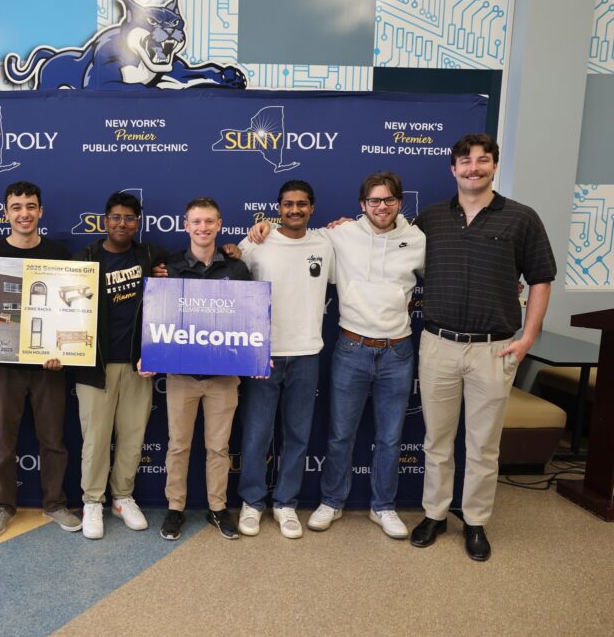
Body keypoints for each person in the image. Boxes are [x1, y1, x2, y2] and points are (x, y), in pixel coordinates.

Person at [410, 133, 555, 561]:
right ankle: (434, 514)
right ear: (452, 169)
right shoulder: (431, 218)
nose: (474, 168)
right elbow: (385, 242)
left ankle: (475, 521)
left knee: (483, 444)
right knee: (436, 440)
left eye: (483, 160)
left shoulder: (522, 218)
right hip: (438, 344)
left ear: (494, 166)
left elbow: (541, 279)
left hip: (494, 349)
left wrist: (528, 337)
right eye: (465, 161)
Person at [308, 173, 424, 538]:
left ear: (400, 202)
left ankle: (383, 507)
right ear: (362, 205)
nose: (382, 207)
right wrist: (258, 232)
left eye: (389, 200)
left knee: (390, 436)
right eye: (374, 201)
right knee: (341, 434)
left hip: (398, 350)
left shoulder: (417, 239)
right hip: (352, 347)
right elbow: (294, 243)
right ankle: (331, 501)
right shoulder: (340, 234)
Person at [0, 181, 82, 537]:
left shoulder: (59, 254)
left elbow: (70, 313)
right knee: (4, 441)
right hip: (4, 367)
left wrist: (64, 353)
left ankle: (54, 504)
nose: (24, 213)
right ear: (6, 213)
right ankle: (4, 506)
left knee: (53, 439)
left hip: (48, 367)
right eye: (16, 207)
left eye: (31, 206)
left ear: (41, 211)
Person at [235, 180, 333, 539]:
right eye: (288, 204)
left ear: (312, 208)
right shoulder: (258, 242)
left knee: (297, 435)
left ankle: (286, 503)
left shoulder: (326, 243)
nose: (295, 210)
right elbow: (226, 270)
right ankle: (252, 502)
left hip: (307, 352)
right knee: (257, 434)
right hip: (264, 354)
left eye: (302, 204)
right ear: (278, 207)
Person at [152, 197, 251, 542]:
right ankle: (175, 509)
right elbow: (160, 316)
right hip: (181, 377)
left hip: (223, 377)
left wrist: (257, 354)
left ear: (219, 225)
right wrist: (150, 355)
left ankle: (217, 508)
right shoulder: (171, 266)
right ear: (186, 226)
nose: (203, 228)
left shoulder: (236, 268)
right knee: (178, 446)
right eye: (196, 222)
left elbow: (248, 318)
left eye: (209, 222)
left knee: (218, 448)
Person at [71, 191, 168, 539]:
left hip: (137, 365)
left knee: (131, 436)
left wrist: (234, 250)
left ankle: (122, 497)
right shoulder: (86, 256)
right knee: (95, 439)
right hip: (93, 365)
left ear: (137, 223)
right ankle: (93, 501)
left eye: (129, 218)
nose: (122, 224)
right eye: (115, 217)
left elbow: (189, 265)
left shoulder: (149, 254)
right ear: (105, 220)